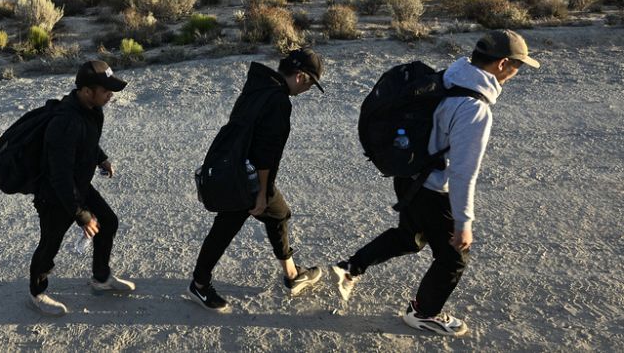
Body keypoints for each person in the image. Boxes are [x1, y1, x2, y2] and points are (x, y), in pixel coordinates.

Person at [331, 30, 540, 337]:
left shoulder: (451, 77)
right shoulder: (474, 108)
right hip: (431, 188)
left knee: (409, 237)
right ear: (502, 64)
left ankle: (351, 266)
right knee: (453, 258)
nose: (516, 73)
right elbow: (463, 172)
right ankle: (424, 313)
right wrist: (463, 221)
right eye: (517, 66)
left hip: (408, 175)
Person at [188, 49, 326, 313]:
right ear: (300, 77)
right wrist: (262, 192)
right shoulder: (279, 102)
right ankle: (200, 284)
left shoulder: (260, 84)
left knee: (275, 215)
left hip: (231, 166)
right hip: (246, 176)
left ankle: (292, 273)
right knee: (247, 221)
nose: (308, 90)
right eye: (310, 83)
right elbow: (267, 154)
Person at [28, 61, 134, 316]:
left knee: (108, 222)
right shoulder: (65, 123)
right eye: (106, 90)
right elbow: (59, 175)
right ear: (87, 91)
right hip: (55, 195)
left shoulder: (91, 109)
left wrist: (101, 158)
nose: (111, 94)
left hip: (79, 184)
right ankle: (37, 292)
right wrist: (81, 214)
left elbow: (86, 142)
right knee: (50, 244)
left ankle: (101, 277)